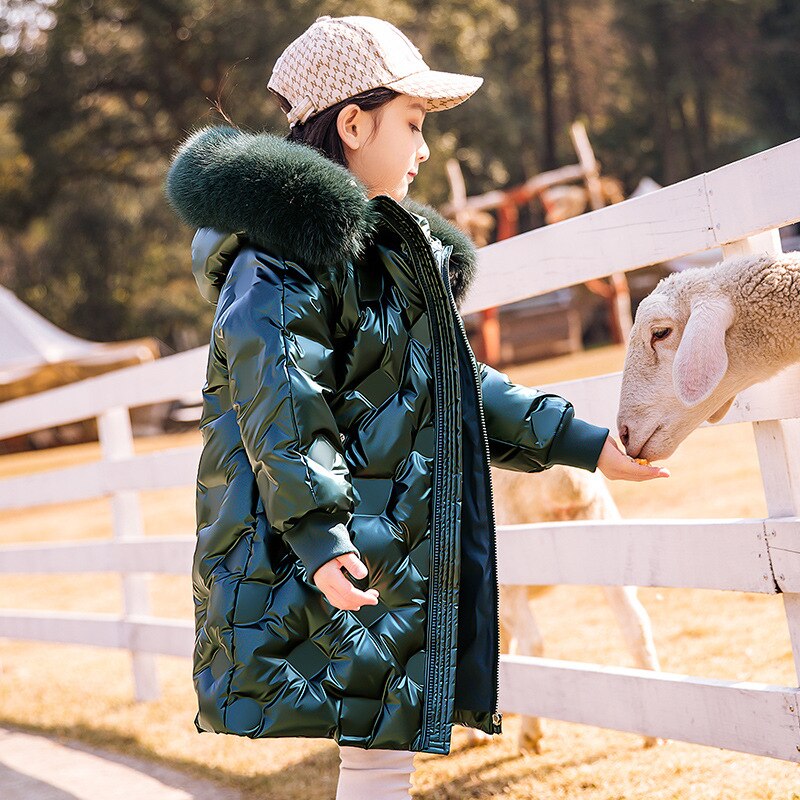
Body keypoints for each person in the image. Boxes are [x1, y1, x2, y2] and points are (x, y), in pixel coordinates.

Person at [164, 14, 670, 800]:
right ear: (355, 123)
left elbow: (461, 389)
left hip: (380, 547)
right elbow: (282, 399)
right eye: (413, 122)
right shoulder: (276, 263)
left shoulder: (388, 265)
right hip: (328, 550)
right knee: (374, 753)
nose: (427, 148)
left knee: (380, 755)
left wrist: (583, 442)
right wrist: (322, 532)